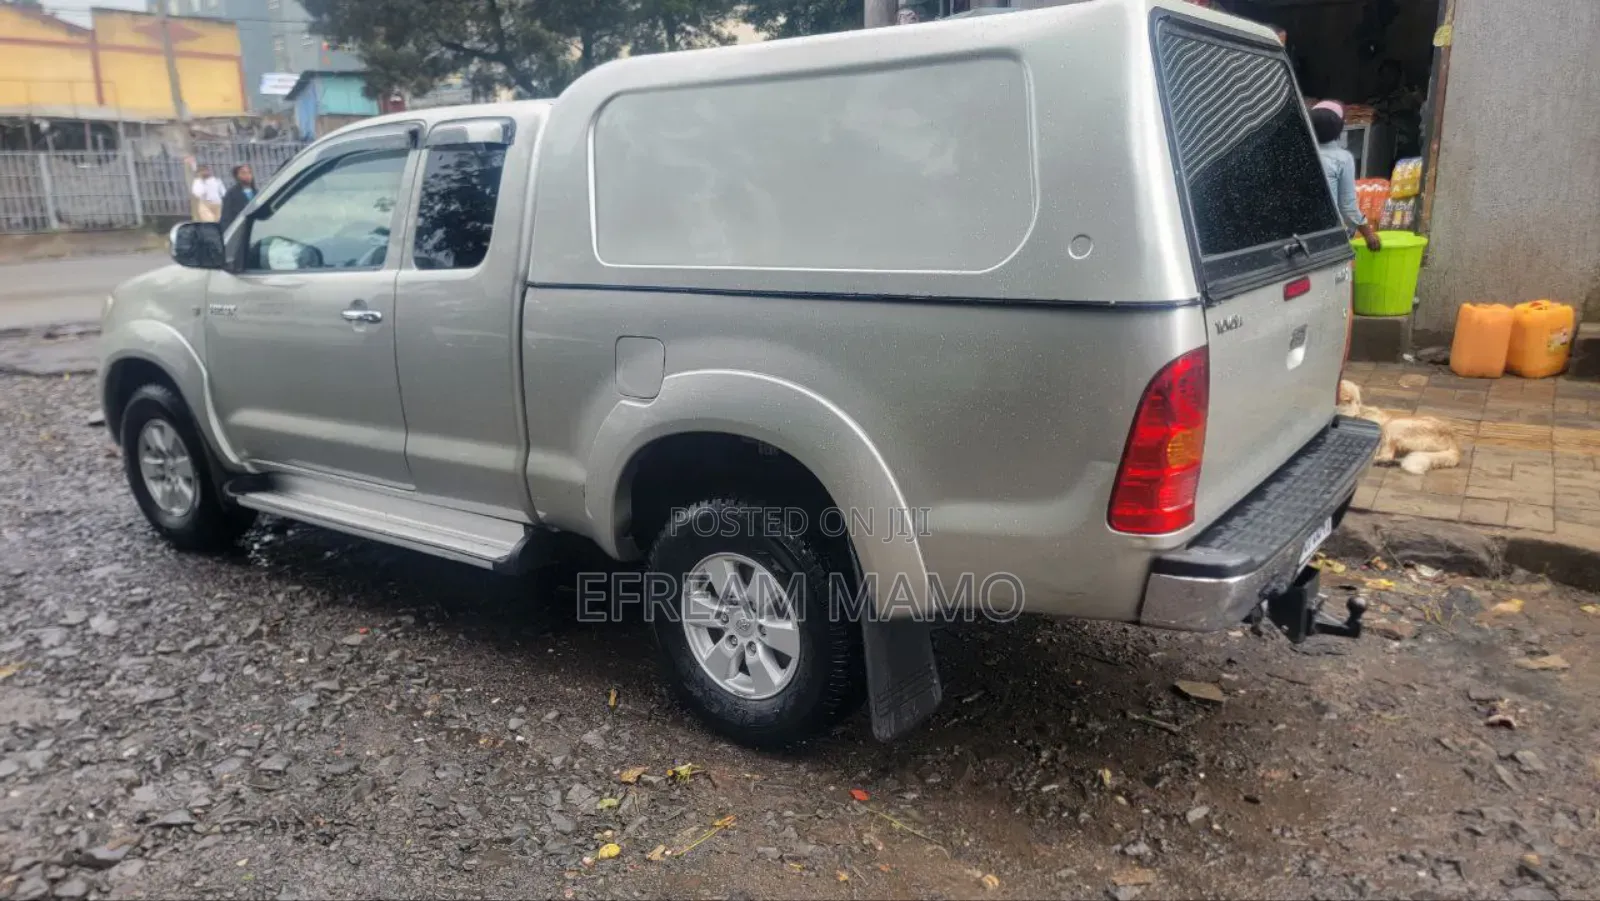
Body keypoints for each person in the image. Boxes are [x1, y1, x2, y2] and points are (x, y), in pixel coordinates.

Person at [1310, 102, 1381, 252]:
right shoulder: (1342, 158)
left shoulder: (1298, 154)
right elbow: (1347, 206)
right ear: (1339, 128)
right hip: (1327, 236)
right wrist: (1369, 235)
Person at [219, 164, 256, 230]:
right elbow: (226, 217)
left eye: (249, 172)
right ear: (237, 176)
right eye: (243, 173)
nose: (247, 175)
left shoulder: (256, 192)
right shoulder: (231, 194)